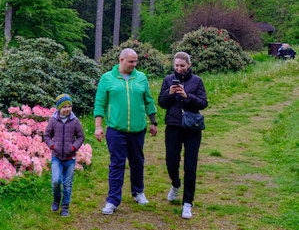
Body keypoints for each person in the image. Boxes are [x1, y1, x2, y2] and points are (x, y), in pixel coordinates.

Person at [93, 48, 158, 215]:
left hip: (138, 129)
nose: (134, 64)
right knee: (117, 164)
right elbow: (100, 103)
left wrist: (153, 121)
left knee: (137, 161)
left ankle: (138, 192)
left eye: (136, 61)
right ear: (121, 60)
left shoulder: (141, 77)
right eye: (131, 61)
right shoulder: (107, 78)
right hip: (116, 130)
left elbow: (148, 100)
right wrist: (98, 127)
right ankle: (112, 200)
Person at [158, 51, 208, 219]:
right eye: (176, 66)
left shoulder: (197, 81)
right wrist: (170, 93)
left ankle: (187, 202)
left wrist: (187, 96)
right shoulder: (168, 80)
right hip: (173, 126)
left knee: (190, 166)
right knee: (171, 162)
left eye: (182, 66)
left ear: (189, 65)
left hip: (192, 128)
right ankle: (176, 183)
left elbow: (203, 103)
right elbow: (161, 103)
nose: (179, 69)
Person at [44, 94, 85, 217]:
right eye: (64, 107)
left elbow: (81, 137)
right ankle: (57, 198)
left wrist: (73, 147)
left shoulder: (74, 121)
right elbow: (47, 136)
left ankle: (65, 206)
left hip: (70, 159)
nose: (67, 109)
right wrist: (53, 146)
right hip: (56, 157)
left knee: (67, 184)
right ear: (59, 108)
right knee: (55, 181)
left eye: (69, 106)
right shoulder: (53, 121)